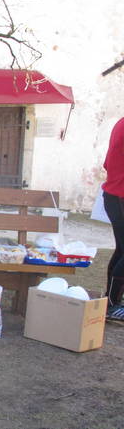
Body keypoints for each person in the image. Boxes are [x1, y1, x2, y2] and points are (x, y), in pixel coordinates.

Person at [103, 117, 124, 321]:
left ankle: (110, 302)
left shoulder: (121, 123)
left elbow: (107, 163)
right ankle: (112, 304)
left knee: (121, 250)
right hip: (120, 195)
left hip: (114, 195)